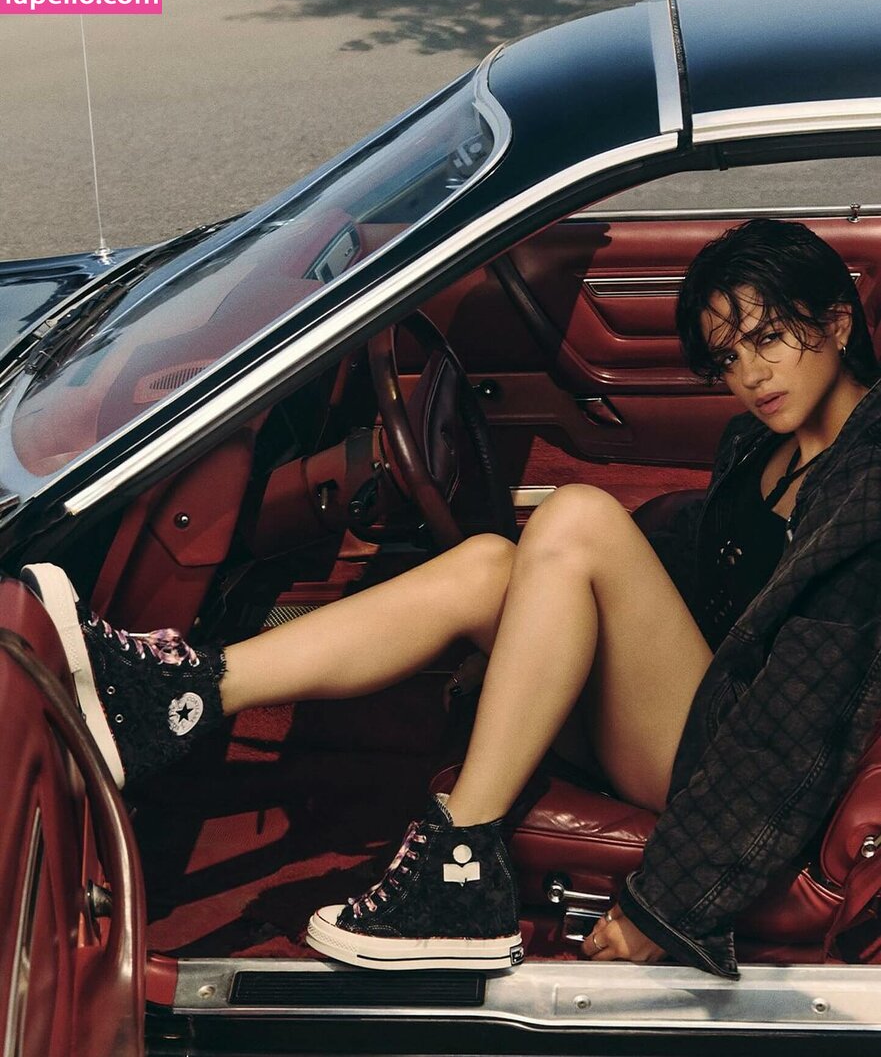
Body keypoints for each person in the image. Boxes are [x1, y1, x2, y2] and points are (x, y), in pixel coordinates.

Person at [22, 218, 881, 979]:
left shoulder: (865, 492)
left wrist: (667, 904)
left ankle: (456, 866)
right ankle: (184, 695)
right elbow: (702, 574)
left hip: (730, 759)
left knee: (577, 518)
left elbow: (795, 724)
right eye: (729, 357)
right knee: (489, 564)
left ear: (837, 322)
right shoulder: (756, 443)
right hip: (703, 698)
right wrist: (545, 614)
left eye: (770, 338)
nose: (750, 374)